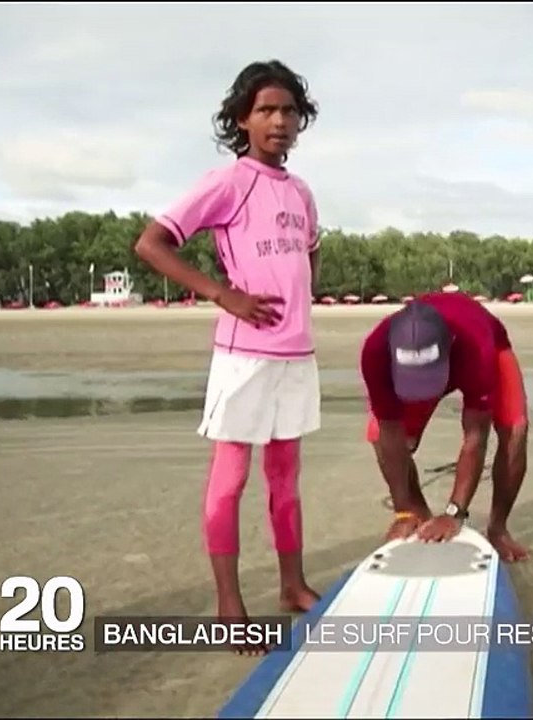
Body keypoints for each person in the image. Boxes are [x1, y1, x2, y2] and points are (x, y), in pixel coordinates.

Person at [133, 60, 323, 655]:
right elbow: (151, 243)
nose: (280, 120)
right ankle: (229, 602)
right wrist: (224, 293)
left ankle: (292, 585)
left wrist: (299, 303)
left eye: (290, 110)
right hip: (245, 355)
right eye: (266, 109)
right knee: (230, 480)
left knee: (285, 480)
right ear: (242, 119)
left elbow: (308, 257)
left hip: (296, 352)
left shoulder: (302, 192)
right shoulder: (227, 181)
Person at [359, 291, 532, 562]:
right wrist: (402, 511)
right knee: (384, 438)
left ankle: (498, 529)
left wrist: (455, 513)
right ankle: (419, 516)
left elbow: (475, 437)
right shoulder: (375, 351)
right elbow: (389, 431)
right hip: (419, 357)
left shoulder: (477, 346)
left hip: (484, 344)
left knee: (515, 432)